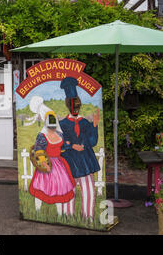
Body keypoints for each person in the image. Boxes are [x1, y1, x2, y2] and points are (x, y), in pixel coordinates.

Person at [59, 77, 100, 221]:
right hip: (69, 161)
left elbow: (93, 141)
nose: (75, 108)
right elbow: (59, 143)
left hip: (85, 161)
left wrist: (95, 126)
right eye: (72, 106)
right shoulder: (62, 124)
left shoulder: (85, 122)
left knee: (88, 189)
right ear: (68, 106)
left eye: (76, 105)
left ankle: (88, 217)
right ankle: (67, 216)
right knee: (68, 189)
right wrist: (71, 145)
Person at [28, 96, 76, 217]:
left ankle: (60, 215)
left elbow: (63, 145)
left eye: (54, 123)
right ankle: (37, 212)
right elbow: (39, 151)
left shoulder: (59, 134)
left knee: (59, 189)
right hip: (47, 164)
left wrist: (70, 145)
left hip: (59, 166)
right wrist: (44, 164)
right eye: (50, 124)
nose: (53, 126)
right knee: (41, 188)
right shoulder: (42, 136)